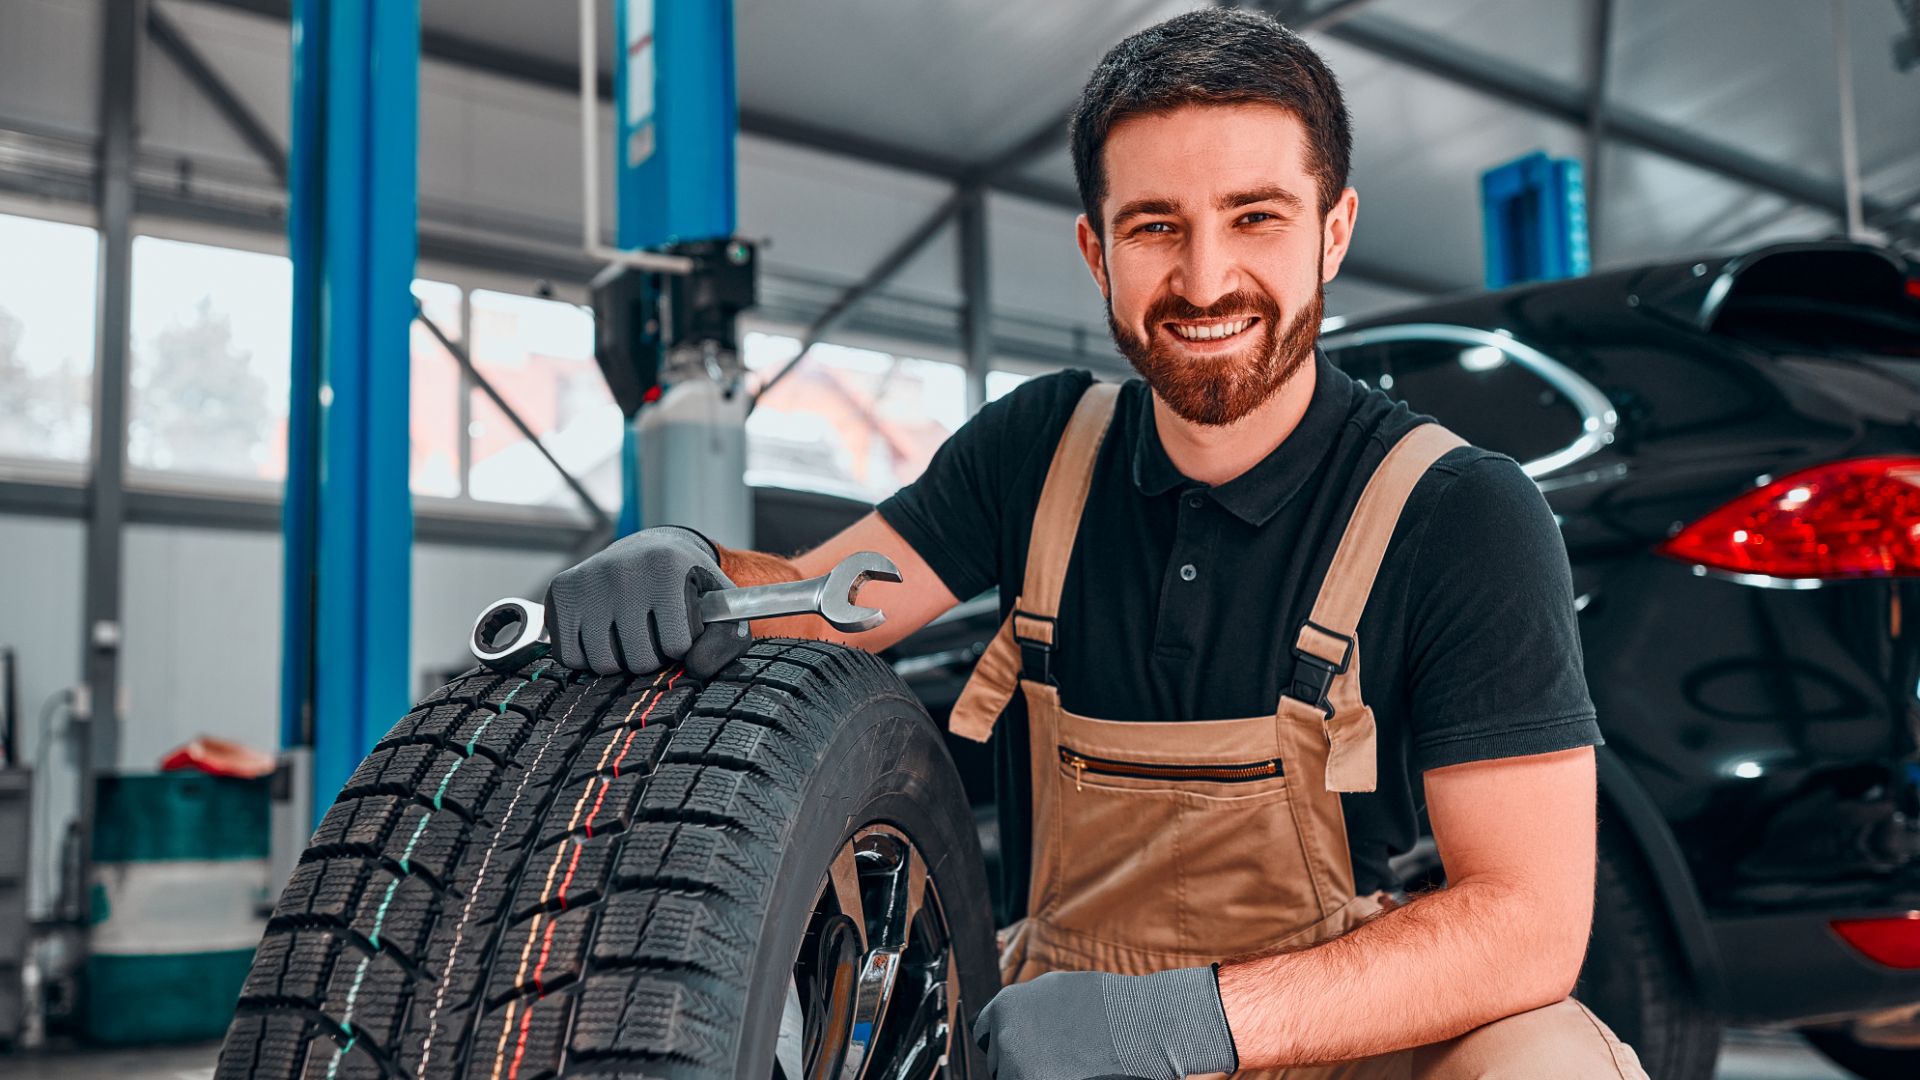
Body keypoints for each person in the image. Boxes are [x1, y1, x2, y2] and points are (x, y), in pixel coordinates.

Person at [544, 8, 1647, 1079]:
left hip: (1326, 1036)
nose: (1207, 280)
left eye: (1255, 216)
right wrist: (691, 568)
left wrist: (1178, 1023)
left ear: (1335, 230)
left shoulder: (1458, 510)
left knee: (1550, 1057)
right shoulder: (1039, 450)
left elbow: (1530, 923)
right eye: (1156, 226)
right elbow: (816, 601)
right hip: (1049, 1034)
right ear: (1094, 247)